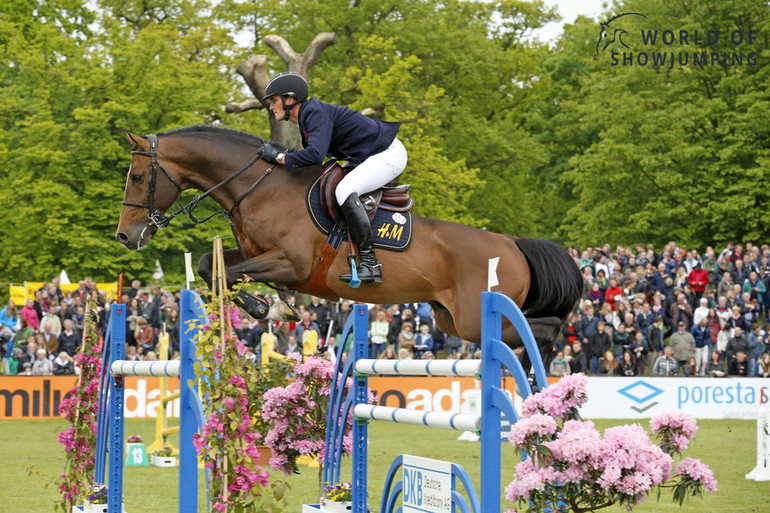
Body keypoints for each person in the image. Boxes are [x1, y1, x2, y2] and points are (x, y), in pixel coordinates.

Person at [261, 71, 407, 284]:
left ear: (289, 99)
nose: (271, 106)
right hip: (367, 157)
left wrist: (280, 157)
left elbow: (314, 155)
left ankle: (370, 264)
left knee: (344, 190)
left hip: (388, 154)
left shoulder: (314, 113)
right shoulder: (308, 116)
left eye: (274, 101)